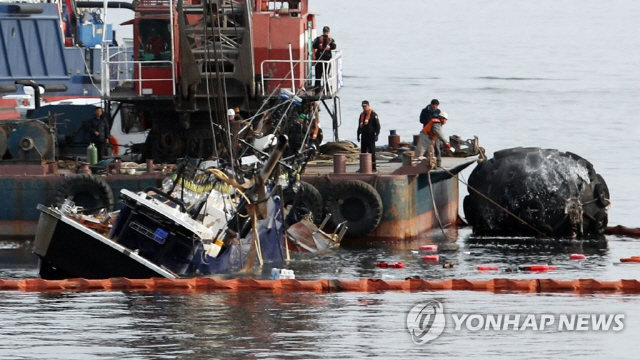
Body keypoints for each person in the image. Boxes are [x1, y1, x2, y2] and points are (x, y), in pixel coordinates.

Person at [357, 100, 380, 170]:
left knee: (372, 152)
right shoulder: (361, 115)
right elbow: (359, 126)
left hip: (371, 136)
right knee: (363, 152)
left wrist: (377, 134)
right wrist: (358, 135)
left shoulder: (373, 115)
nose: (364, 108)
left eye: (365, 106)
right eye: (363, 106)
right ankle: (362, 167)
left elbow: (377, 126)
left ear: (368, 106)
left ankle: (373, 167)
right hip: (364, 136)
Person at [312, 26, 336, 91]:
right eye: (325, 32)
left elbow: (334, 47)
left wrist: (330, 40)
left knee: (326, 75)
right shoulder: (318, 39)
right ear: (323, 32)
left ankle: (326, 87)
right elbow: (313, 46)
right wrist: (314, 56)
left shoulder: (331, 40)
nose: (326, 34)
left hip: (327, 60)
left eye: (327, 32)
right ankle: (317, 88)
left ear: (329, 32)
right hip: (319, 60)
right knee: (318, 75)